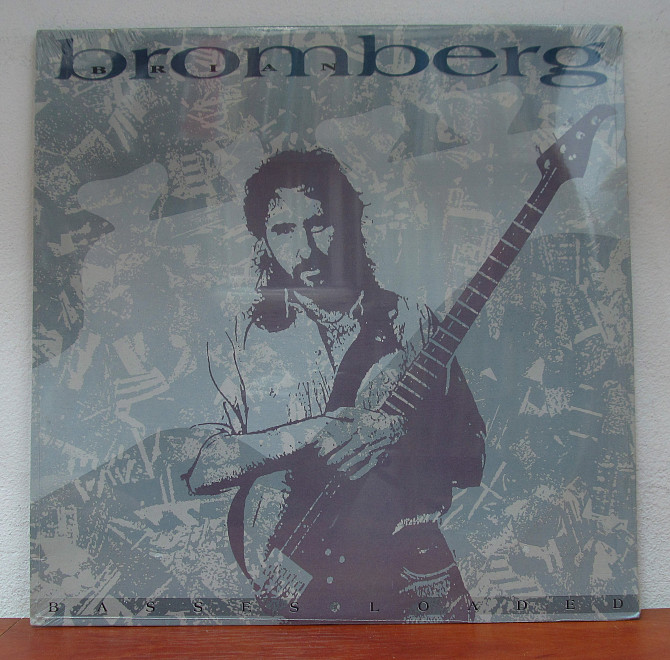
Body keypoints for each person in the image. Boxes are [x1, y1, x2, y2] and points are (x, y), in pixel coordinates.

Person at [183, 150, 486, 622]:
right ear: (263, 239)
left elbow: (471, 458)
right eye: (284, 230)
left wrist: (399, 434)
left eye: (320, 224)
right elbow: (201, 468)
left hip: (412, 576)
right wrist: (318, 431)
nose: (305, 250)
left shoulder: (412, 321)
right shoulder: (237, 336)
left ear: (351, 222)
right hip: (293, 579)